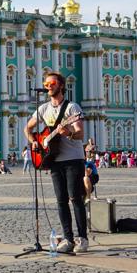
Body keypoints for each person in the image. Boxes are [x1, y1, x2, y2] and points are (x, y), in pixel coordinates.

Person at [24, 71, 88, 253]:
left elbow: (80, 133)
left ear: (60, 85)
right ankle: (68, 239)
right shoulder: (43, 109)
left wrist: (68, 133)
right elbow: (27, 128)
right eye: (46, 84)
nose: (48, 86)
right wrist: (34, 141)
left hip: (73, 158)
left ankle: (82, 238)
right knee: (61, 201)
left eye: (51, 83)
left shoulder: (72, 108)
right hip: (53, 159)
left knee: (75, 198)